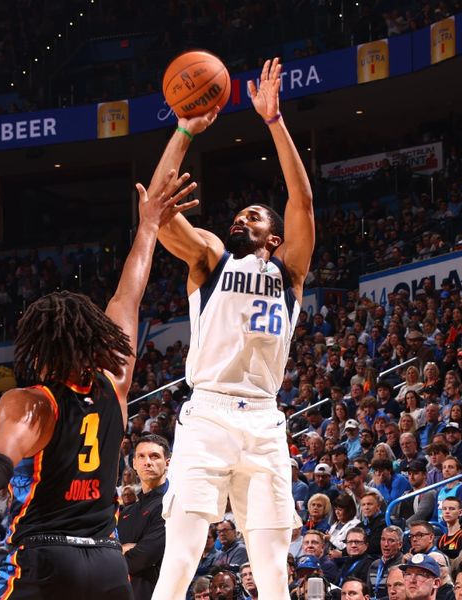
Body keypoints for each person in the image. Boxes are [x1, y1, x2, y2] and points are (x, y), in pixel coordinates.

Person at [0, 170, 200, 600]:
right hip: (108, 564)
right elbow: (129, 297)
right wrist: (147, 227)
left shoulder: (33, 403)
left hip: (49, 559)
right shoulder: (117, 382)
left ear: (40, 349)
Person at [149, 57, 315, 600]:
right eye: (238, 215)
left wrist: (274, 122)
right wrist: (181, 131)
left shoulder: (289, 272)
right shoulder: (212, 259)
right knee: (181, 557)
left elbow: (303, 201)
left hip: (265, 420)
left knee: (272, 569)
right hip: (210, 415)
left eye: (255, 216)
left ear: (273, 236)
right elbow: (156, 209)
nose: (241, 219)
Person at [118, 434, 171, 599]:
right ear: (134, 463)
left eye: (154, 456)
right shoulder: (126, 512)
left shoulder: (172, 504)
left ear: (167, 463)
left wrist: (120, 551)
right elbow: (105, 553)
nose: (147, 461)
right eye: (141, 456)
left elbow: (142, 557)